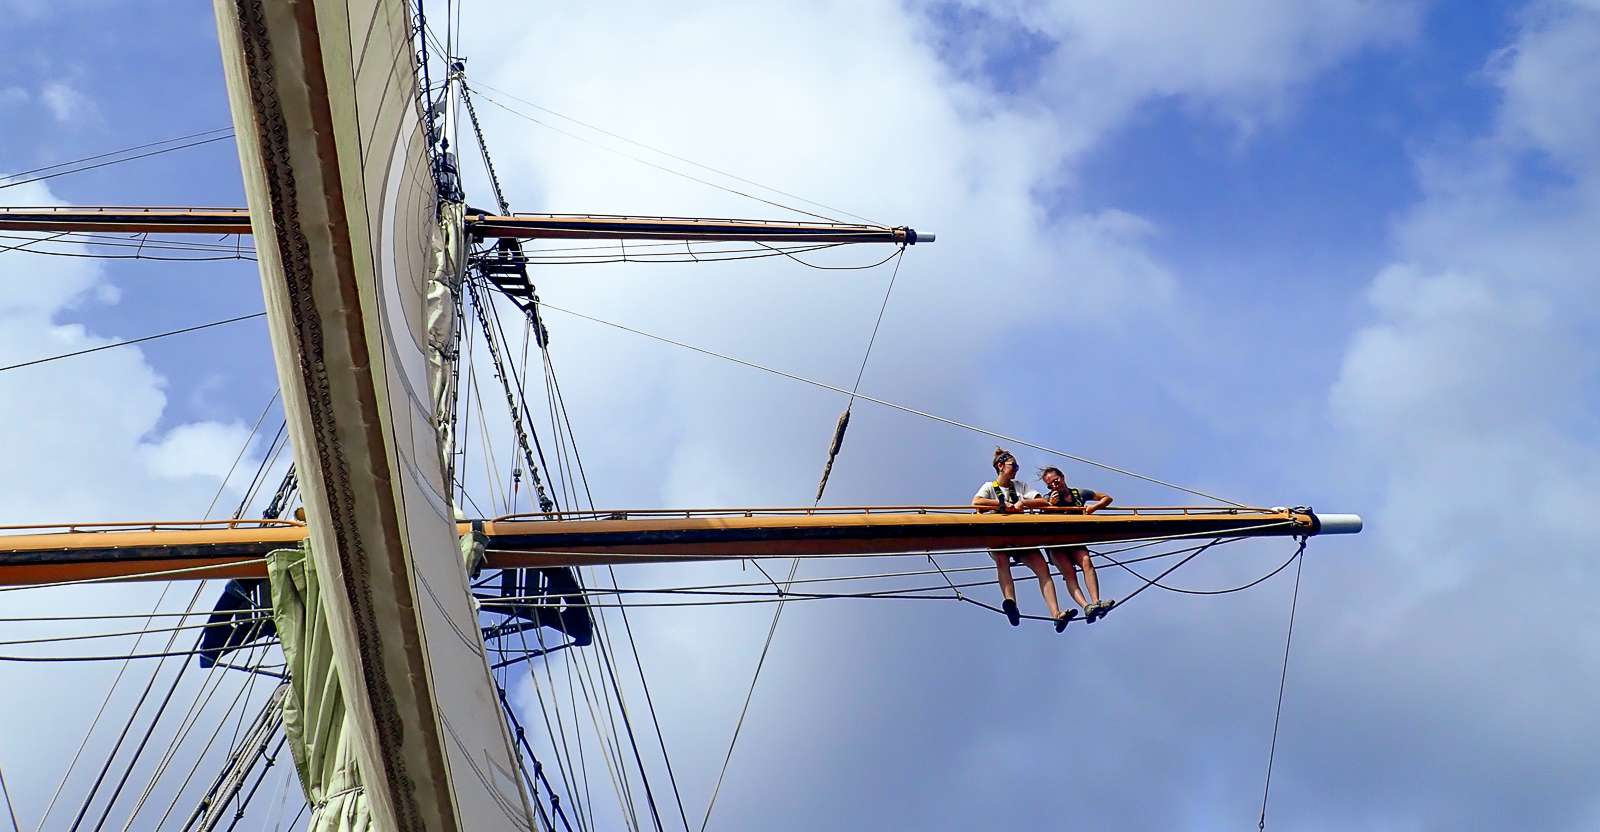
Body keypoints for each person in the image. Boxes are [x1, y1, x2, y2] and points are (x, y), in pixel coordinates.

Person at [972, 448, 1075, 632]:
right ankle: (1010, 602)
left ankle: (1056, 613)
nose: (1016, 469)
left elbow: (1043, 502)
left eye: (1017, 466)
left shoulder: (1020, 486)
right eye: (1013, 465)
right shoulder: (989, 487)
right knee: (1002, 560)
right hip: (998, 536)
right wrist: (1003, 505)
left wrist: (1023, 503)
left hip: (1021, 536)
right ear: (1001, 466)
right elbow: (976, 502)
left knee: (1042, 567)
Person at [1038, 466, 1116, 622]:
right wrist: (1050, 506)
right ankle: (1086, 606)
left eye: (1056, 481)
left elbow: (1107, 498)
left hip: (1075, 540)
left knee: (1087, 562)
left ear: (1062, 477)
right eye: (1050, 485)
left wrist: (1094, 507)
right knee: (1069, 573)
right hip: (1056, 544)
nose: (1054, 485)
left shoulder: (1078, 494)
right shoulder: (1048, 499)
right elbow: (1040, 517)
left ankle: (1096, 602)